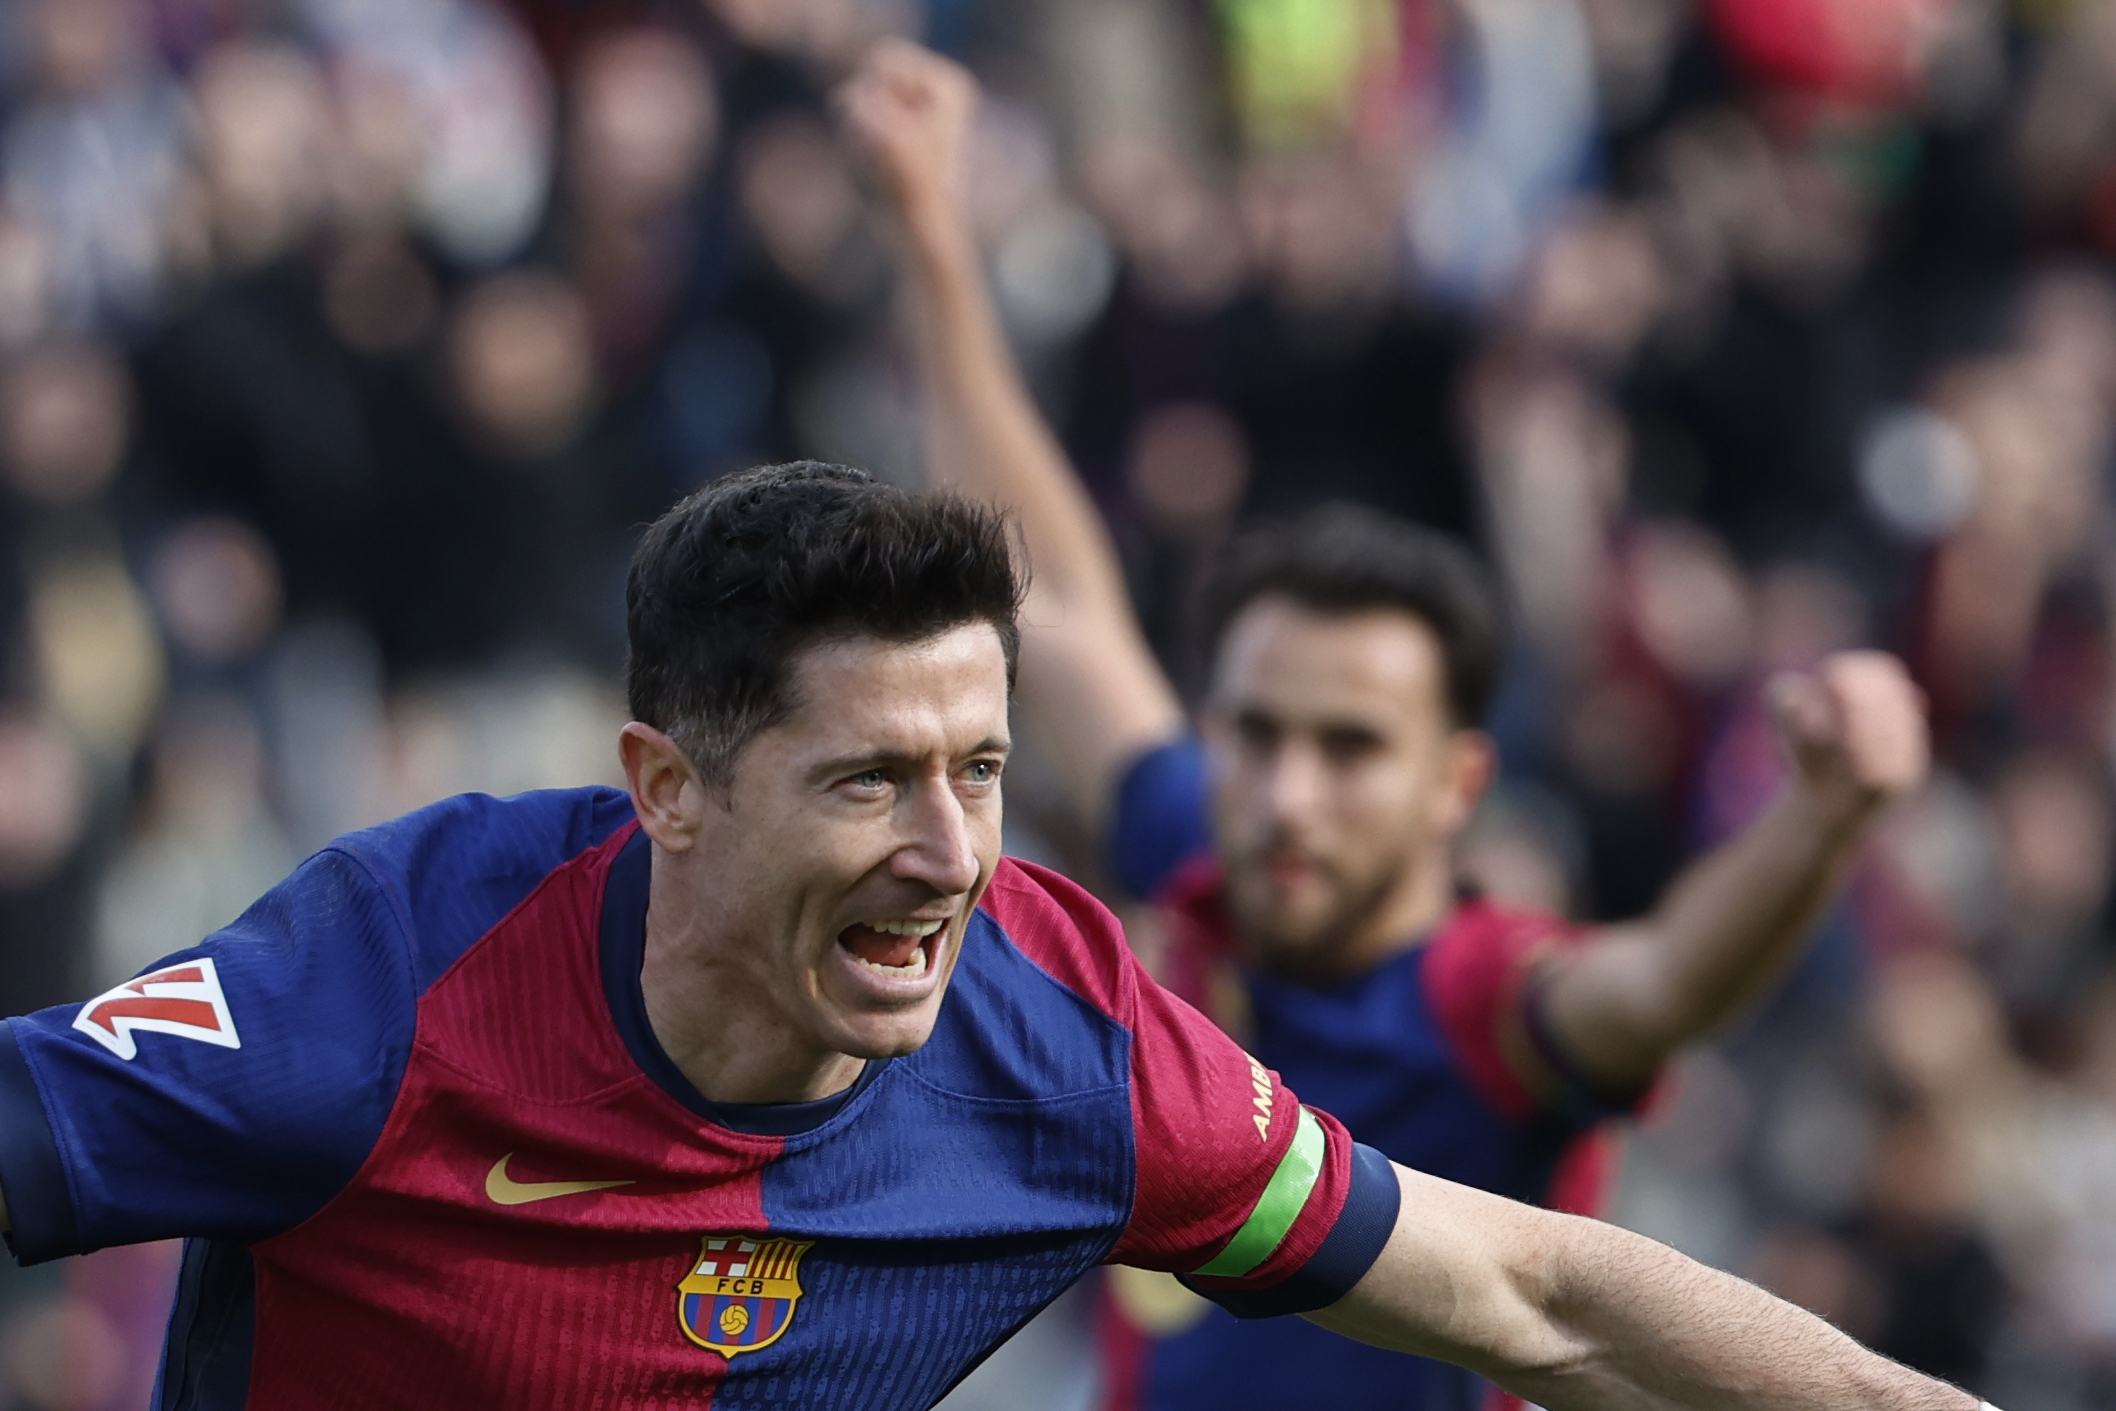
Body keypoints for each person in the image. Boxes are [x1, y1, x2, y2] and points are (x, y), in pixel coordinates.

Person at [0, 461, 1967, 1411]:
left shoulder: (1064, 1038)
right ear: (665, 785)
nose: (948, 852)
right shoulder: (374, 995)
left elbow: (1534, 1294)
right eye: (867, 780)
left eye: (982, 769)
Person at [840, 39, 1935, 1411]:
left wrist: (1823, 823)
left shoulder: (1481, 1005)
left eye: (1351, 750)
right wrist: (933, 234)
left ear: (1455, 783)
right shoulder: (1205, 848)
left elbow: (1666, 984)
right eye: (1255, 733)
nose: (1286, 791)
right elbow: (1050, 598)